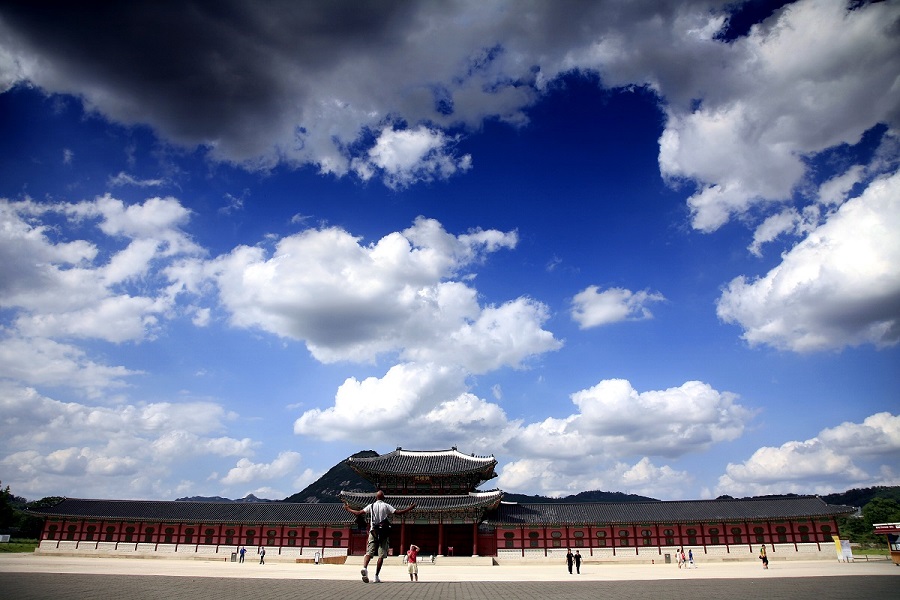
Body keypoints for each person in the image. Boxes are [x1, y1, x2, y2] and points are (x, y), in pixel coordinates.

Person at [344, 490, 416, 583]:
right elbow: (398, 512)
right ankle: (376, 576)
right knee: (381, 555)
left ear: (376, 497)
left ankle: (364, 568)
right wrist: (410, 508)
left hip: (373, 531)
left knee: (369, 552)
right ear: (383, 497)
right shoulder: (386, 506)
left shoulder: (371, 506)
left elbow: (358, 513)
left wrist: (348, 509)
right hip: (384, 533)